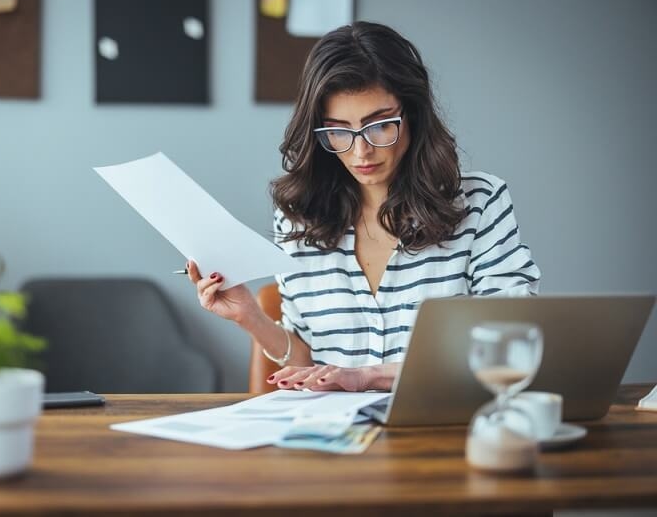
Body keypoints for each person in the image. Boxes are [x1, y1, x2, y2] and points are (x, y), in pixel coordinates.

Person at [187, 21, 540, 392]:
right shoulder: (297, 219)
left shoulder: (480, 202)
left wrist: (368, 376)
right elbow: (308, 365)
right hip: (333, 438)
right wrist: (250, 317)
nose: (360, 152)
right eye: (338, 130)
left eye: (380, 125)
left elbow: (510, 346)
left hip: (441, 433)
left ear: (413, 115)